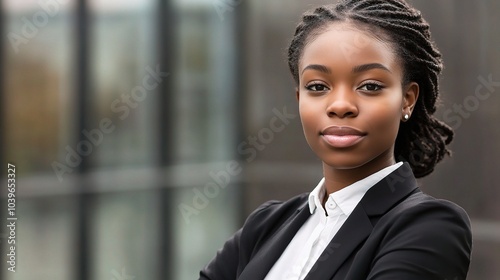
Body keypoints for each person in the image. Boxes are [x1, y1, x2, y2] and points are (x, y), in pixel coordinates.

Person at [199, 0, 473, 279]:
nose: (340, 105)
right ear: (299, 99)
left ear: (407, 100)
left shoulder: (428, 228)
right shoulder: (266, 225)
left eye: (370, 86)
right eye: (317, 87)